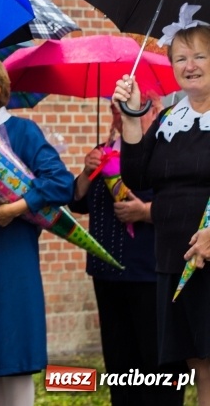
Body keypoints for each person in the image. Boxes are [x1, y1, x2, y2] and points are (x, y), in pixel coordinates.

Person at [0, 57, 73, 406]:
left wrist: (16, 208)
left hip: (11, 260)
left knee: (13, 356)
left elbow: (60, 183)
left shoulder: (22, 132)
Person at [114, 3, 210, 405]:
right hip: (172, 256)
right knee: (194, 359)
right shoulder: (172, 116)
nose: (189, 65)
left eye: (200, 55)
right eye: (180, 57)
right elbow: (138, 177)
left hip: (208, 254)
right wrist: (133, 116)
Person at [71, 97, 187, 406]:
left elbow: (183, 205)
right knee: (119, 362)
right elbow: (78, 201)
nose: (119, 115)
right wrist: (85, 172)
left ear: (152, 109)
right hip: (107, 270)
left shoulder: (166, 148)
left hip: (151, 269)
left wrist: (144, 211)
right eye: (114, 109)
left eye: (127, 108)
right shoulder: (104, 151)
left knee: (157, 360)